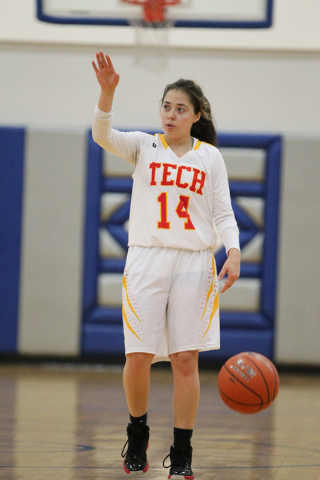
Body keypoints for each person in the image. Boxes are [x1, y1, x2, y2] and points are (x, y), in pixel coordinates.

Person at [92, 52, 241, 479]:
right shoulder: (143, 145)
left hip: (195, 263)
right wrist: (107, 93)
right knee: (137, 357)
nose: (171, 114)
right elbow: (102, 135)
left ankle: (182, 452)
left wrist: (231, 251)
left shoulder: (209, 157)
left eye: (180, 108)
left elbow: (225, 214)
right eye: (166, 106)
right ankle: (137, 433)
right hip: (145, 259)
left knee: (185, 361)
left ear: (195, 116)